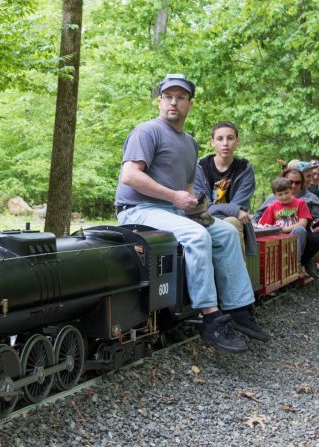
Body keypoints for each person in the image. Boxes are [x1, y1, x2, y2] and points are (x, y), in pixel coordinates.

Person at [114, 73, 268, 353]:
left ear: (190, 103)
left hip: (171, 211)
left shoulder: (190, 142)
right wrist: (175, 197)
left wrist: (197, 209)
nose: (174, 102)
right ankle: (210, 317)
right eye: (168, 97)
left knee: (226, 233)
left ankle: (238, 309)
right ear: (160, 101)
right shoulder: (147, 132)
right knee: (197, 236)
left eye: (180, 97)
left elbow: (186, 186)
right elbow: (130, 177)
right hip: (138, 210)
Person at [193, 122, 258, 257]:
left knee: (231, 222)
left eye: (230, 138)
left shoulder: (244, 169)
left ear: (237, 141)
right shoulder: (200, 167)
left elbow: (241, 205)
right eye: (220, 138)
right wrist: (234, 210)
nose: (225, 143)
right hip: (204, 220)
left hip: (234, 222)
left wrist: (235, 211)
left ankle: (236, 276)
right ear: (212, 142)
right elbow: (203, 207)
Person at [252, 166, 319, 278]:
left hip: (303, 231)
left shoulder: (309, 198)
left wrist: (317, 224)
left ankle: (303, 262)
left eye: (297, 182)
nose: (294, 185)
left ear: (302, 183)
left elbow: (317, 219)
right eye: (291, 182)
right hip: (277, 232)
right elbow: (260, 215)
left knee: (315, 238)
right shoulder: (273, 200)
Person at [257, 177, 312, 262]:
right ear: (275, 195)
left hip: (295, 236)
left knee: (300, 229)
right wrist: (268, 227)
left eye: (286, 193)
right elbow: (264, 225)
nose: (284, 196)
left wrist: (285, 229)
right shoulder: (272, 207)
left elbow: (303, 223)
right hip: (278, 238)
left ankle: (296, 263)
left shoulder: (300, 203)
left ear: (291, 190)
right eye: (280, 194)